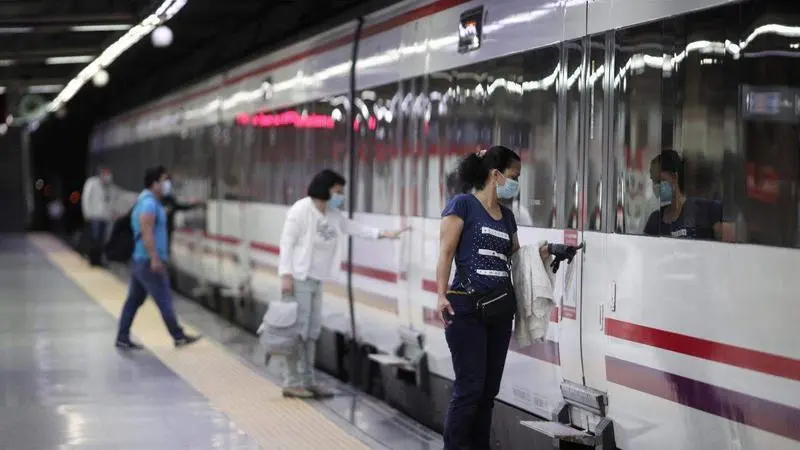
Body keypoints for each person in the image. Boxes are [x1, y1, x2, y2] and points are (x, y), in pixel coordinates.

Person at [278, 169, 409, 399]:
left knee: (311, 332)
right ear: (326, 188)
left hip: (317, 280)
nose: (341, 196)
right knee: (296, 332)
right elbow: (286, 244)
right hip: (299, 279)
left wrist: (386, 233)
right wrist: (285, 275)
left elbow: (355, 228)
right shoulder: (301, 210)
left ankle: (307, 381)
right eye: (338, 191)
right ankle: (292, 382)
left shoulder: (332, 214)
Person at [435, 145, 525, 449]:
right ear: (495, 174)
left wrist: (546, 253)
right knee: (470, 388)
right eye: (513, 176)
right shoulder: (462, 205)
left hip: (499, 311)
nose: (516, 183)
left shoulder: (508, 218)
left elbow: (517, 259)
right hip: (465, 307)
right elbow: (445, 253)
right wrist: (440, 295)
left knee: (488, 391)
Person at [115, 166, 201, 350]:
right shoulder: (148, 204)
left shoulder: (148, 201)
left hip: (141, 259)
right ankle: (178, 336)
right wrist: (155, 258)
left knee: (134, 300)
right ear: (154, 184)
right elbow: (147, 233)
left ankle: (122, 337)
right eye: (164, 181)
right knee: (164, 299)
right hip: (148, 261)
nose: (167, 184)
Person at [644, 149, 734, 241]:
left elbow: (728, 244)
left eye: (659, 180)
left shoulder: (705, 210)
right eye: (654, 181)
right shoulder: (655, 221)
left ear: (674, 177)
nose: (656, 186)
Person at [158, 169, 203, 256]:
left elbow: (179, 207)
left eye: (168, 182)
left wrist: (193, 205)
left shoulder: (170, 199)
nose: (167, 185)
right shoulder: (154, 198)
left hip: (168, 228)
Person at [81, 166, 114, 266]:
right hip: (94, 215)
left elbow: (110, 200)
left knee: (102, 240)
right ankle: (92, 260)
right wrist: (87, 213)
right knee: (94, 239)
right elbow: (86, 198)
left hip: (104, 216)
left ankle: (99, 260)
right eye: (105, 174)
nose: (107, 176)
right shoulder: (92, 183)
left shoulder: (108, 186)